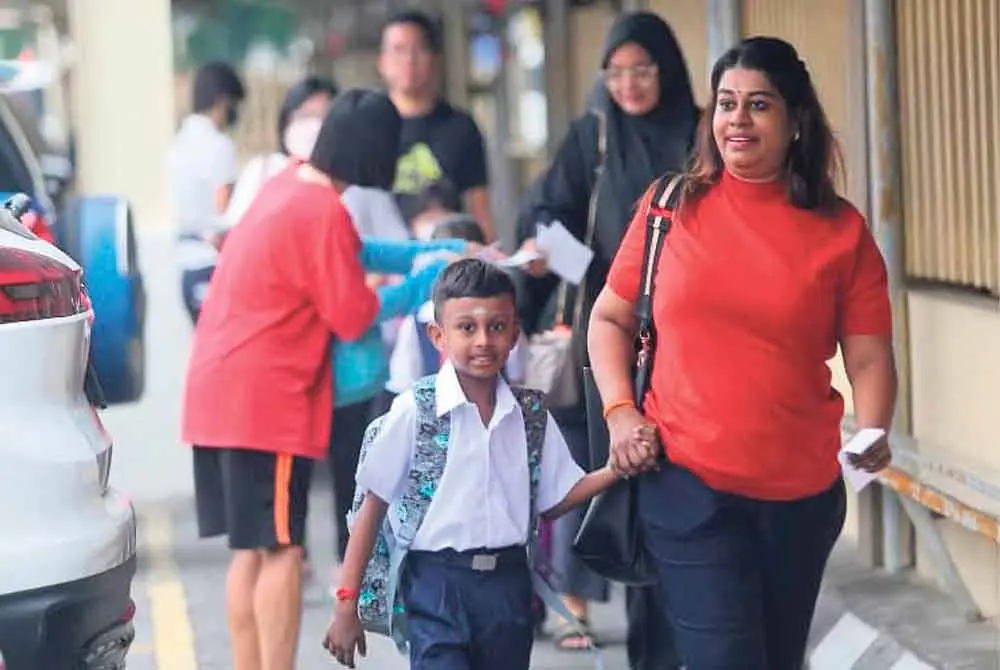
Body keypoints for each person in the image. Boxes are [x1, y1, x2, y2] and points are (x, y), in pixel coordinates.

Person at [587, 37, 896, 670]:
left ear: (795, 121)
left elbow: (868, 355)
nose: (738, 119)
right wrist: (621, 411)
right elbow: (609, 318)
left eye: (759, 105)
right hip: (686, 480)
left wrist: (872, 428)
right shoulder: (670, 208)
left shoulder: (841, 230)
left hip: (801, 495)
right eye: (726, 104)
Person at [323, 259, 640, 670]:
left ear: (514, 334)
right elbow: (371, 508)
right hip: (436, 583)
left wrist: (614, 470)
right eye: (466, 327)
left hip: (507, 585)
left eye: (496, 326)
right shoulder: (416, 411)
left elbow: (555, 499)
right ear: (438, 335)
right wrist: (347, 606)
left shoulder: (529, 415)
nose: (483, 341)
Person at [181, 90, 401, 670]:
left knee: (251, 550)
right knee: (282, 548)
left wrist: (439, 252)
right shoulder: (323, 210)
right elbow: (353, 315)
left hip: (218, 392)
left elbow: (357, 251)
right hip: (267, 400)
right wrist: (425, 284)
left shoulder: (287, 187)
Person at [515, 11, 695, 663]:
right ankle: (638, 632)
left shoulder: (701, 133)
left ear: (667, 69)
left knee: (682, 489)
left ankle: (681, 623)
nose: (628, 84)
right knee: (627, 482)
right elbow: (544, 212)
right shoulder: (591, 135)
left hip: (687, 335)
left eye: (641, 69)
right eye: (615, 72)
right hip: (611, 339)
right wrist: (587, 271)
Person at [378, 10, 494, 240]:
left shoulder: (461, 127)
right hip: (383, 267)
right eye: (398, 50)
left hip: (448, 261)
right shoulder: (369, 128)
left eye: (419, 49)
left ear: (435, 58)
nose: (409, 60)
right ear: (382, 62)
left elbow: (480, 213)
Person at [167, 61, 245, 324]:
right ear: (223, 101)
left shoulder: (178, 145)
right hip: (212, 263)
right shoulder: (219, 146)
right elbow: (223, 207)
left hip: (185, 265)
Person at [225, 76, 338, 227]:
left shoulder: (341, 183)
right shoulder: (262, 169)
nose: (315, 125)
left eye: (323, 118)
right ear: (286, 121)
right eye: (306, 116)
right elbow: (233, 227)